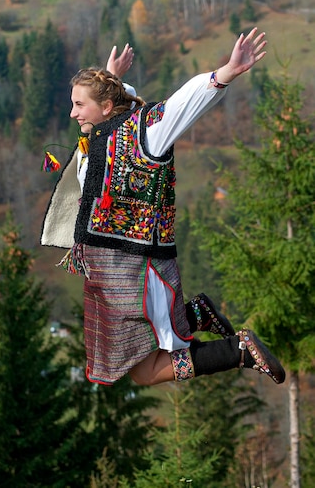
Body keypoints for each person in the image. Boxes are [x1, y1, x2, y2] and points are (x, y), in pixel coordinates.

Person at [41, 29, 285, 387]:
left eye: (80, 104)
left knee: (142, 371)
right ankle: (199, 318)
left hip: (135, 267)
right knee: (140, 370)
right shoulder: (101, 136)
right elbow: (116, 116)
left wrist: (224, 74)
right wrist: (114, 81)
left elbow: (180, 106)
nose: (72, 112)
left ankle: (238, 350)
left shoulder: (145, 134)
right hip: (108, 271)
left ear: (106, 107)